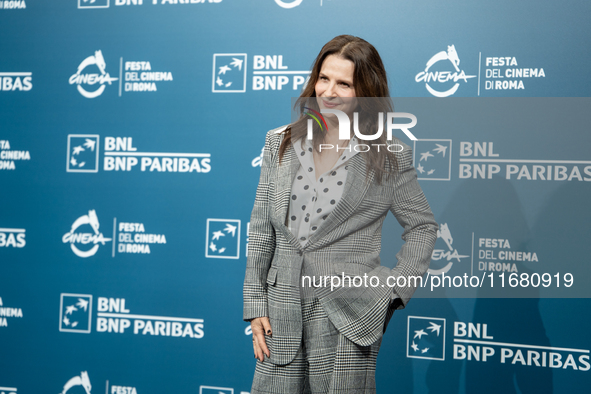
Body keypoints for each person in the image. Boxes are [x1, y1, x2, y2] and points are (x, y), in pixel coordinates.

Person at [243, 35, 438, 393]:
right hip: (281, 311)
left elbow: (423, 226)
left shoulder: (389, 155)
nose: (329, 92)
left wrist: (392, 293)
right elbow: (260, 228)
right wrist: (255, 303)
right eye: (323, 78)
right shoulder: (280, 141)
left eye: (344, 83)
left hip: (349, 316)